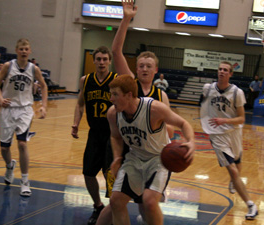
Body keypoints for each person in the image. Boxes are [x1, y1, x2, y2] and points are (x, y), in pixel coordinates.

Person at [96, 1, 174, 224]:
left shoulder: (161, 97)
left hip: (152, 156)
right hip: (128, 151)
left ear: (156, 70)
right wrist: (126, 19)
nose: (145, 69)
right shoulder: (130, 86)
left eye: (149, 66)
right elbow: (116, 51)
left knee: (146, 204)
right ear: (136, 68)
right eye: (141, 65)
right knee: (115, 202)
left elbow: (169, 129)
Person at [106, 74, 195, 225]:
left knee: (149, 202)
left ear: (128, 95)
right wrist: (117, 157)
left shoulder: (154, 109)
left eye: (115, 94)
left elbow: (183, 123)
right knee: (116, 201)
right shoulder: (113, 113)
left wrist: (191, 141)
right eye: (111, 94)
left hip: (158, 159)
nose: (111, 99)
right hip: (134, 158)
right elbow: (115, 137)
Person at [200, 61, 258, 220]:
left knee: (238, 166)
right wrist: (207, 121)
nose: (222, 72)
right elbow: (203, 105)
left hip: (234, 133)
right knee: (233, 170)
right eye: (220, 69)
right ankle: (251, 205)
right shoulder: (208, 89)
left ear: (231, 74)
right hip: (217, 135)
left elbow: (242, 118)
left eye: (225, 70)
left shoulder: (236, 93)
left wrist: (225, 121)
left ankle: (235, 181)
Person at [0, 38, 48, 197]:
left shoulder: (33, 69)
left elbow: (43, 86)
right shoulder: (9, 66)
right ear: (17, 51)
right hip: (8, 109)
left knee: (22, 144)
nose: (24, 51)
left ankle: (25, 181)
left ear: (30, 51)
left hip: (24, 109)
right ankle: (10, 166)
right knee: (4, 147)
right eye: (21, 49)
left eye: (26, 49)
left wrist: (43, 105)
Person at [71, 46, 118, 225]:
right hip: (94, 133)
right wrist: (76, 123)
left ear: (110, 61)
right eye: (98, 59)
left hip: (113, 135)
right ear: (94, 61)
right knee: (88, 173)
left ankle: (113, 208)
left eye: (105, 59)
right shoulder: (86, 80)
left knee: (110, 174)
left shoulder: (116, 80)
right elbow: (80, 104)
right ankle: (98, 206)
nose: (101, 62)